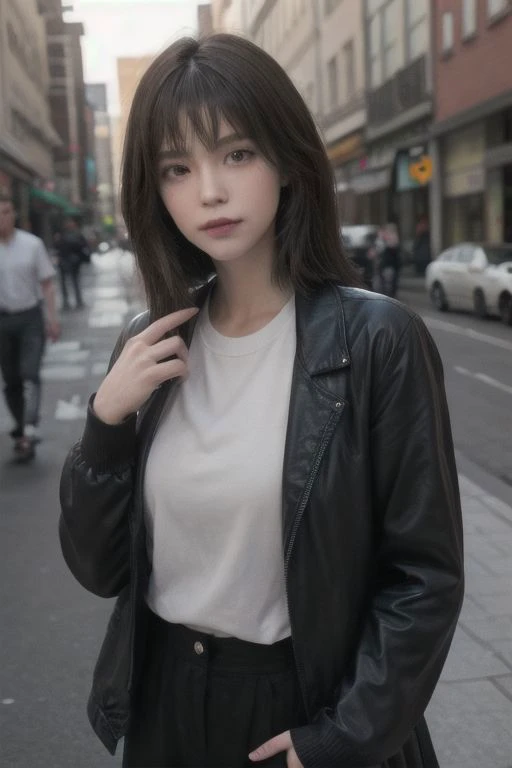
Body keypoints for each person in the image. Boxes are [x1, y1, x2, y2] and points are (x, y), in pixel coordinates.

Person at [59, 34, 464, 768]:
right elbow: (100, 570)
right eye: (177, 169)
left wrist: (342, 738)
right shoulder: (147, 345)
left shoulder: (376, 340)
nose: (209, 190)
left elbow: (424, 577)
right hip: (164, 705)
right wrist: (105, 424)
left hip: (303, 703)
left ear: (287, 158)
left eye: (236, 154)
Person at [0, 193, 60, 461]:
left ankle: (29, 428)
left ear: (14, 213)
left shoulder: (32, 245)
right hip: (2, 322)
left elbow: (47, 284)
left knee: (30, 372)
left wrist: (52, 319)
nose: (4, 218)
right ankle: (20, 425)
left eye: (7, 211)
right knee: (11, 380)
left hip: (30, 318)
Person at [54, 217, 89, 310]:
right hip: (64, 262)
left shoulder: (76, 234)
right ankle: (67, 302)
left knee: (75, 282)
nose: (69, 225)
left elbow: (83, 246)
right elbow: (58, 247)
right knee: (65, 284)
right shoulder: (62, 235)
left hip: (74, 262)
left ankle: (77, 301)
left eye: (70, 223)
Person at [378, 222, 401, 298]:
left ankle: (390, 295)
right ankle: (389, 295)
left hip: (390, 265)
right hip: (387, 265)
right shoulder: (383, 241)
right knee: (386, 282)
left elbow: (393, 248)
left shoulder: (392, 241)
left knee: (390, 282)